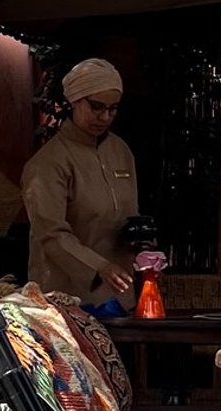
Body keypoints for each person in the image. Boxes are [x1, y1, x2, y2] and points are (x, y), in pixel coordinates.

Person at [21, 58, 140, 308]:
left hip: (120, 297)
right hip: (68, 301)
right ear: (74, 101)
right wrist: (100, 267)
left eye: (113, 108)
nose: (105, 116)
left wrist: (142, 242)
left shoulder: (120, 151)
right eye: (96, 106)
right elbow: (51, 234)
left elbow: (128, 218)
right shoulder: (48, 162)